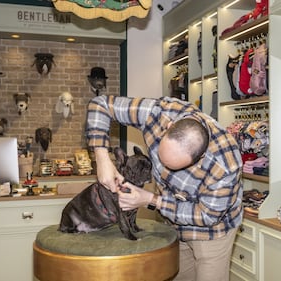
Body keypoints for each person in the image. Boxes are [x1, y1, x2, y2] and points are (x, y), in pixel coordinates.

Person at [86, 95, 243, 281]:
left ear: (200, 158)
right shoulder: (158, 113)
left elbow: (207, 216)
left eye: (175, 167)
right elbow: (101, 104)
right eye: (161, 159)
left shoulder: (225, 165)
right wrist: (102, 157)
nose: (164, 171)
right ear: (168, 127)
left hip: (212, 233)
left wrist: (151, 200)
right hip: (172, 223)